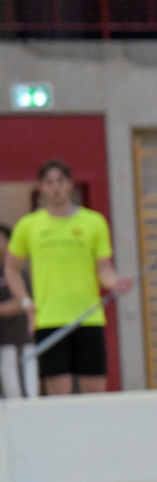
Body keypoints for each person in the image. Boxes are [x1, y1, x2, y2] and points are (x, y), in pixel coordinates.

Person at [3, 159, 133, 395]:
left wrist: (115, 282)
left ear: (70, 184)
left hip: (88, 318)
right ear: (42, 187)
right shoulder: (29, 225)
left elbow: (104, 269)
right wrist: (25, 302)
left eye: (60, 181)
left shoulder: (94, 222)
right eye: (49, 182)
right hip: (49, 320)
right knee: (59, 395)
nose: (56, 187)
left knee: (94, 392)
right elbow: (11, 269)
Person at [0, 224, 39, 398]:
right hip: (3, 343)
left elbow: (22, 302)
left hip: (17, 342)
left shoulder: (15, 272)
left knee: (22, 393)